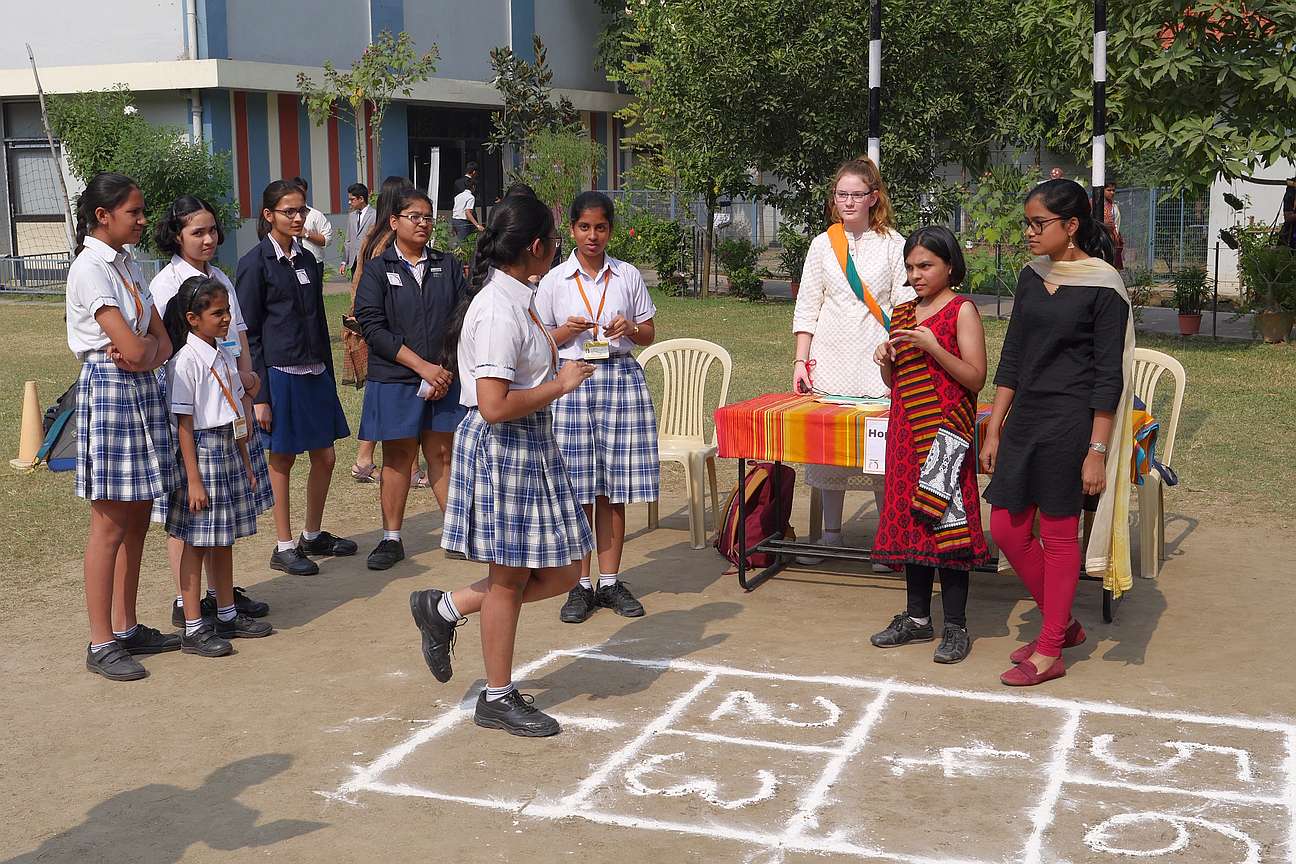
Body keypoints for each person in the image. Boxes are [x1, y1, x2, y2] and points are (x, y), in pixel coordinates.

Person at [408, 194, 597, 737]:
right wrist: (559, 384)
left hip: (529, 444)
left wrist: (557, 348)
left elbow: (519, 361)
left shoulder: (521, 297)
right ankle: (496, 694)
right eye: (555, 238)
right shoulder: (497, 306)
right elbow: (492, 404)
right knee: (509, 580)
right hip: (503, 446)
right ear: (536, 247)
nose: (559, 247)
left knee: (562, 570)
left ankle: (444, 609)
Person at [980, 178, 1134, 687]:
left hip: (1073, 422)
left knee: (1059, 533)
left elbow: (1108, 376)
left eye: (1038, 223)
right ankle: (1062, 623)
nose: (1028, 232)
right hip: (1026, 416)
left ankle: (1050, 649)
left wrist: (1097, 449)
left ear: (1071, 226)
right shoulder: (1030, 276)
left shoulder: (1103, 284)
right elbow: (1015, 355)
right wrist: (995, 427)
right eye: (1027, 222)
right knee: (1005, 527)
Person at [66, 172, 180, 680]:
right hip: (111, 393)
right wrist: (143, 352)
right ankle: (100, 641)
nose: (141, 220)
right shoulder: (90, 268)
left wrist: (145, 354)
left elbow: (161, 341)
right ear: (102, 216)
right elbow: (135, 348)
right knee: (110, 521)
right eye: (133, 212)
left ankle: (127, 625)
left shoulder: (128, 265)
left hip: (139, 389)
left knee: (137, 515)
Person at [149, 195, 273, 626]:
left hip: (229, 403)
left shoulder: (221, 276)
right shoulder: (167, 283)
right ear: (177, 235)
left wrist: (246, 385)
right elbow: (169, 350)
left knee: (225, 522)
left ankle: (222, 599)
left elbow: (236, 336)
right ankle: (189, 602)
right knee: (190, 521)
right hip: (197, 412)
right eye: (196, 232)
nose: (207, 239)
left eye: (212, 230)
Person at [869, 226, 989, 664]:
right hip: (906, 434)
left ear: (949, 266)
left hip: (946, 436)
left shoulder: (962, 311)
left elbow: (975, 377)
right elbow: (894, 383)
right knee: (913, 522)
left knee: (948, 527)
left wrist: (934, 347)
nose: (916, 275)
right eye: (910, 267)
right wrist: (886, 362)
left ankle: (956, 626)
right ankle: (918, 620)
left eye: (925, 266)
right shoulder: (902, 314)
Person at [537, 191, 658, 624]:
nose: (593, 235)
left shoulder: (626, 275)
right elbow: (537, 344)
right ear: (571, 229)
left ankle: (610, 581)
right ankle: (579, 585)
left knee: (614, 487)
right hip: (572, 383)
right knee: (578, 488)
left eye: (601, 227)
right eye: (585, 227)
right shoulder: (554, 281)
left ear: (611, 229)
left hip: (620, 381)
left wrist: (632, 328)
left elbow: (649, 333)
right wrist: (564, 330)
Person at [791, 157, 913, 565]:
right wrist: (800, 360)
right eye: (841, 194)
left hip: (879, 363)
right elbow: (808, 304)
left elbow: (906, 302)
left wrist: (897, 346)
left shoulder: (895, 245)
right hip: (830, 361)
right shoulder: (823, 244)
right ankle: (830, 535)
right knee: (827, 453)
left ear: (873, 197)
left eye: (856, 194)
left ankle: (886, 538)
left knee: (879, 452)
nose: (847, 201)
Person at [236, 180, 355, 576]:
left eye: (301, 209)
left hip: (314, 370)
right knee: (282, 458)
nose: (298, 217)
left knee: (326, 455)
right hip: (279, 374)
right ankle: (283, 545)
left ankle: (312, 534)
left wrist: (328, 369)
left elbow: (317, 319)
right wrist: (260, 395)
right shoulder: (254, 263)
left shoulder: (306, 258)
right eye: (289, 211)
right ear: (269, 216)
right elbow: (248, 333)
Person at [353, 187, 468, 569]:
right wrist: (422, 368)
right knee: (398, 456)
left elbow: (462, 318)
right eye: (414, 216)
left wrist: (445, 369)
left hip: (444, 378)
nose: (423, 223)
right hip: (396, 378)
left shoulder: (447, 265)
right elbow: (373, 327)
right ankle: (391, 538)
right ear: (394, 222)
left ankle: (457, 532)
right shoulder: (377, 269)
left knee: (441, 453)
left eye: (429, 217)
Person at [161, 275, 274, 656]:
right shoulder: (185, 362)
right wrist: (193, 479)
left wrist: (247, 462)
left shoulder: (223, 353)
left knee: (223, 539)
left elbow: (235, 408)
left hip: (229, 448)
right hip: (203, 455)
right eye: (217, 313)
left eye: (227, 311)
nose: (226, 319)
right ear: (193, 318)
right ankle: (193, 626)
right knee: (196, 542)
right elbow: (184, 425)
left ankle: (226, 613)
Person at [347, 176, 410, 484]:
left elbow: (357, 280)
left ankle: (364, 459)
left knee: (377, 391)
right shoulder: (390, 242)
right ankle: (403, 466)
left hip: (367, 323)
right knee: (391, 394)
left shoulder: (371, 235)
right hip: (387, 328)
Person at [291, 177, 333, 282]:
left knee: (314, 296)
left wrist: (307, 235)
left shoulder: (316, 215)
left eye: (300, 191)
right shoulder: (285, 215)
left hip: (314, 264)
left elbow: (326, 240)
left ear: (305, 192)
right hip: (291, 263)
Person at [342, 183, 375, 279]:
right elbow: (348, 241)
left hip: (368, 261)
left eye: (352, 199)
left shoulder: (375, 215)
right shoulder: (352, 216)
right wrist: (344, 262)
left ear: (361, 199)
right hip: (354, 262)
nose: (349, 202)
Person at [451, 177, 484, 246]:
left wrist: (453, 225)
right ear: (473, 186)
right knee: (464, 245)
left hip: (455, 220)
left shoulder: (458, 196)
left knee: (460, 243)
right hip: (463, 222)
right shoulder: (471, 197)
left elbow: (455, 210)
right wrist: (477, 225)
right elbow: (468, 213)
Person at [1103, 183, 1125, 269]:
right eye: (1109, 190)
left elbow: (1116, 221)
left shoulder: (1114, 205)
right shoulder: (1095, 204)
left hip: (1114, 238)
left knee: (1114, 264)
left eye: (1113, 190)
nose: (1112, 192)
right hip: (1102, 238)